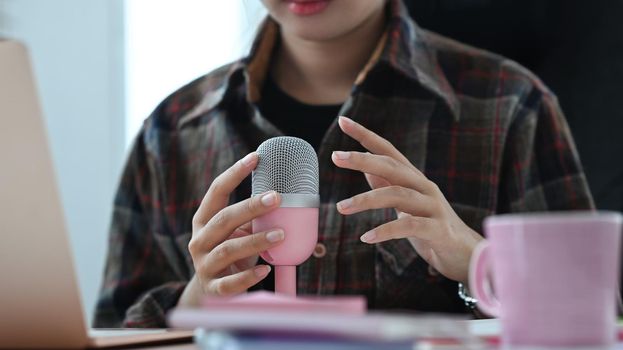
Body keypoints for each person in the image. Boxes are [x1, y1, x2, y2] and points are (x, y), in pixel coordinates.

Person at [93, 0, 593, 328]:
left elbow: (593, 318)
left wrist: (475, 261)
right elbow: (112, 330)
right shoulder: (174, 131)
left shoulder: (510, 106)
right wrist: (199, 299)